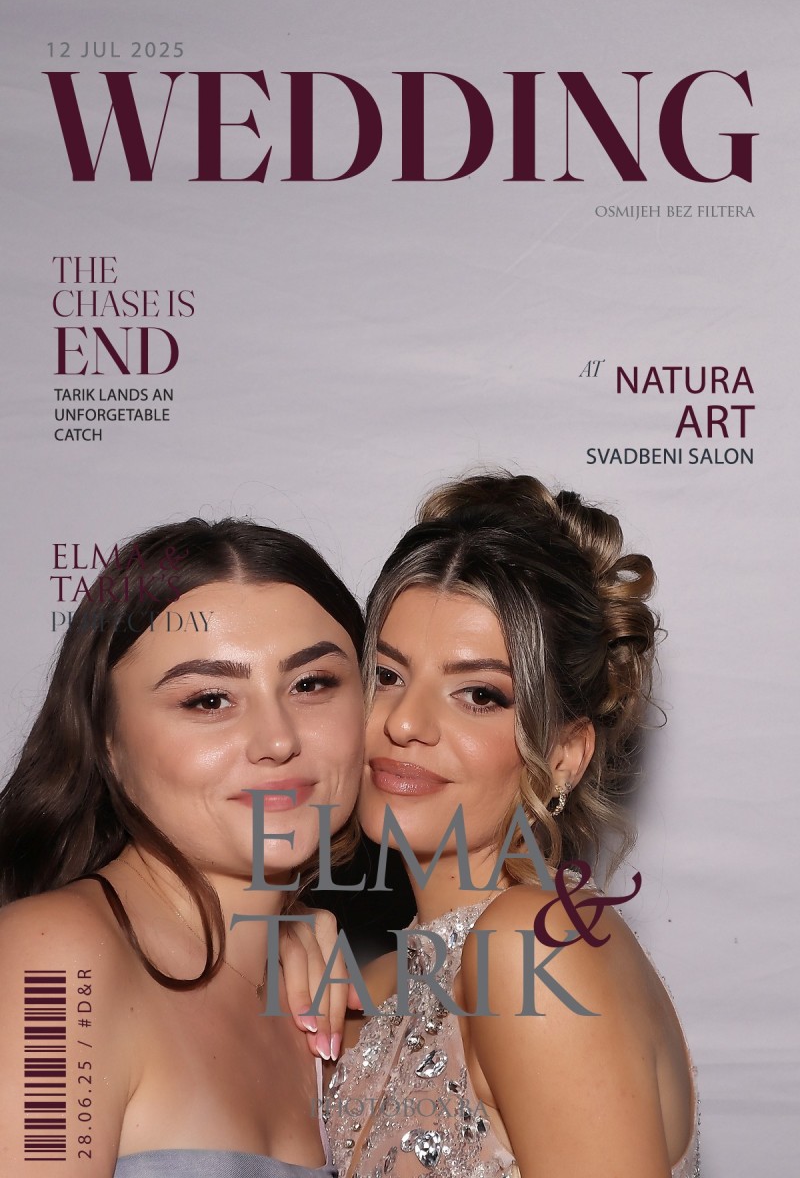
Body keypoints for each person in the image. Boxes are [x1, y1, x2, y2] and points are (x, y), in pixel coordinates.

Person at [326, 472, 700, 1178]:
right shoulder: (377, 983)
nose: (404, 722)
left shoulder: (534, 945)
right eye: (387, 675)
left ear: (563, 756)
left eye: (478, 694)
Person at [0, 518, 367, 1178]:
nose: (278, 739)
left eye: (311, 684)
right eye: (209, 700)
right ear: (108, 744)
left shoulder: (324, 1002)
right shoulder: (53, 961)